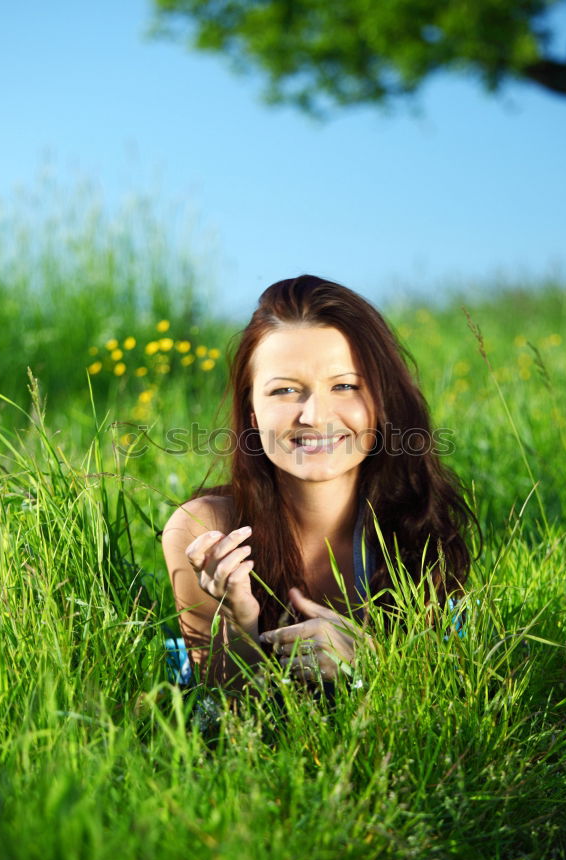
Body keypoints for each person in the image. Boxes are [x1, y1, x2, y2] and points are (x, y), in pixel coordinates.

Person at [161, 275, 476, 689]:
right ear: (252, 413)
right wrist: (239, 623)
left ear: (381, 402)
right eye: (285, 391)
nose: (314, 416)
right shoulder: (206, 532)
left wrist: (370, 662)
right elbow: (218, 717)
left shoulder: (419, 518)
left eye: (345, 386)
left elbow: (454, 693)